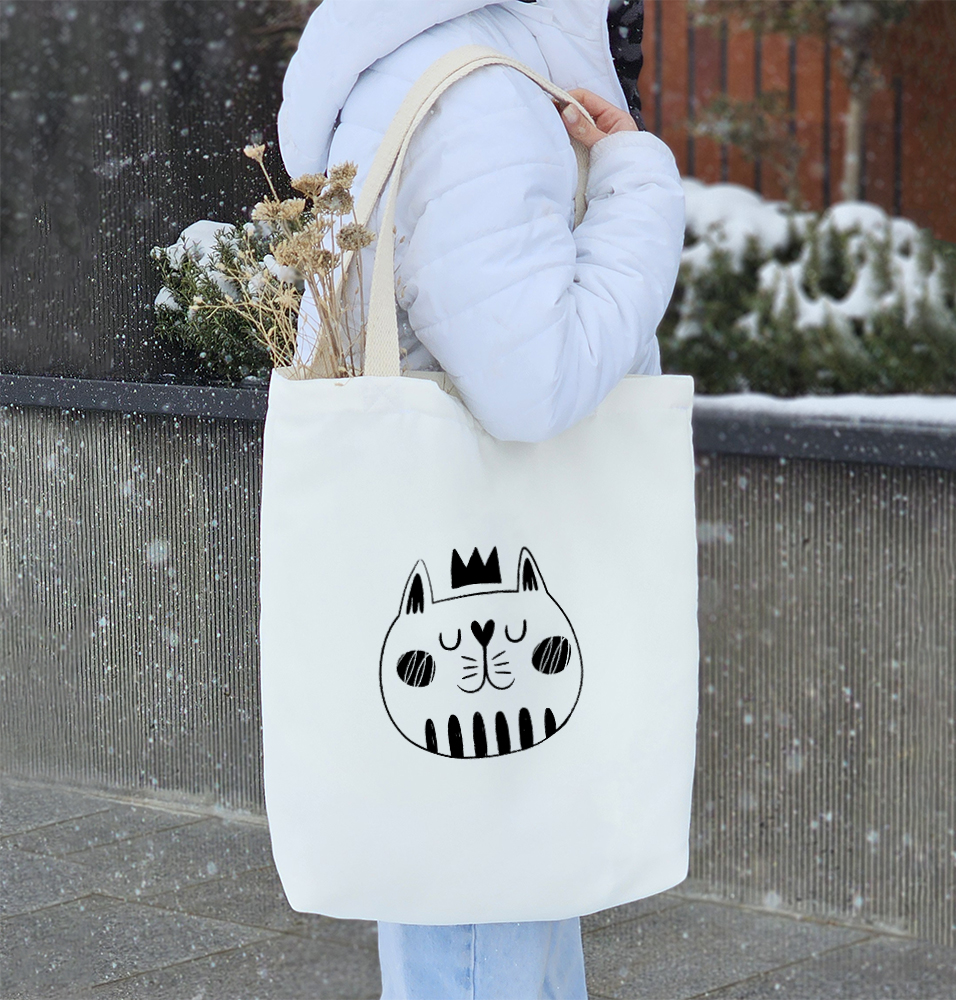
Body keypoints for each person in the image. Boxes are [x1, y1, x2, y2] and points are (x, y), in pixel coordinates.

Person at [278, 1, 685, 996]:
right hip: (493, 588)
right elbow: (532, 384)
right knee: (483, 915)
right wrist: (637, 185)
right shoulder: (479, 94)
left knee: (487, 891)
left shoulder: (430, 60)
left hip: (457, 571)